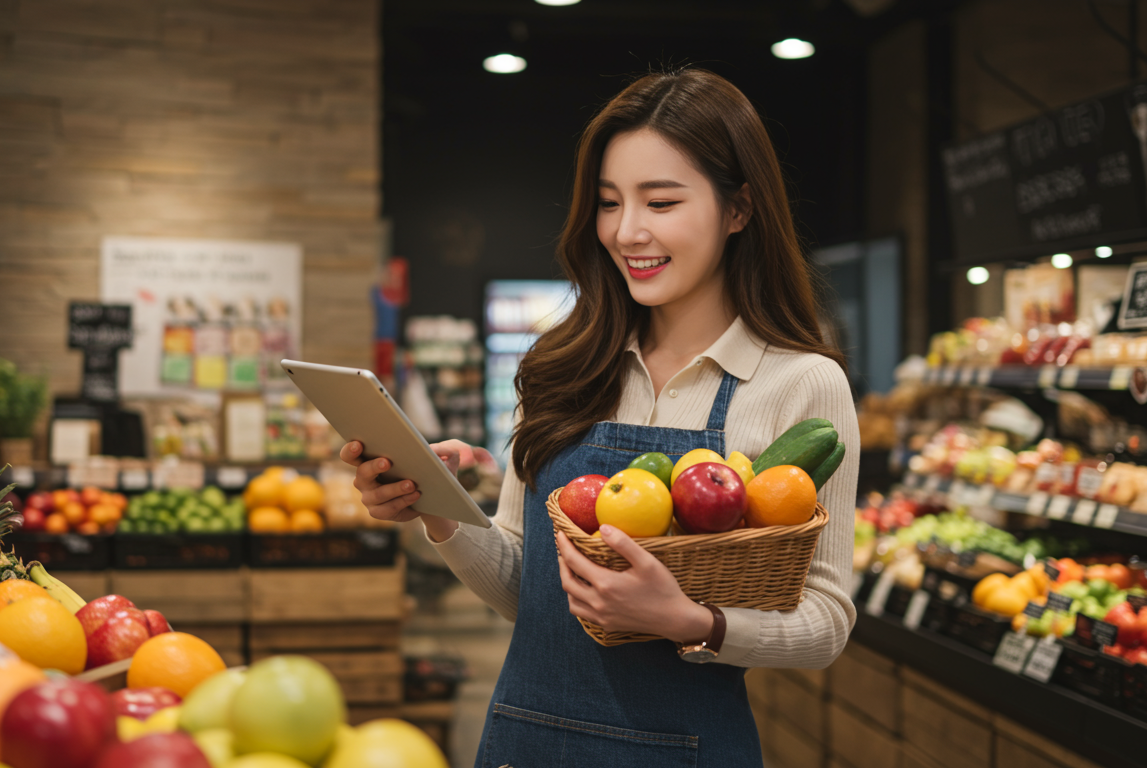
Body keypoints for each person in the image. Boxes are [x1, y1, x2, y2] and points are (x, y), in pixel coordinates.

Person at [342, 68, 857, 767]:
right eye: (610, 203)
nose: (627, 231)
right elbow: (530, 591)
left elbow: (825, 622)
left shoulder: (800, 385)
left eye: (662, 201)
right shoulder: (562, 367)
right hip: (525, 741)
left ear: (740, 209)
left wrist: (691, 623)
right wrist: (437, 505)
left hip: (688, 750)